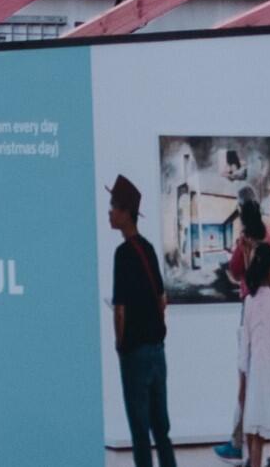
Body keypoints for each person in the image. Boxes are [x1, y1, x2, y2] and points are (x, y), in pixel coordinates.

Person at [107, 178, 179, 467]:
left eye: (113, 207)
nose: (109, 213)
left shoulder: (122, 254)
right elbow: (162, 298)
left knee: (139, 432)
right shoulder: (148, 249)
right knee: (161, 430)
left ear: (126, 212)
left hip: (135, 351)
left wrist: (119, 343)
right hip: (156, 350)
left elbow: (120, 310)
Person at [225, 195, 270, 459]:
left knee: (255, 430)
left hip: (254, 379)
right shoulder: (269, 239)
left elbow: (234, 267)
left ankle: (237, 444)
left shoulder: (251, 303)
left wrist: (243, 370)